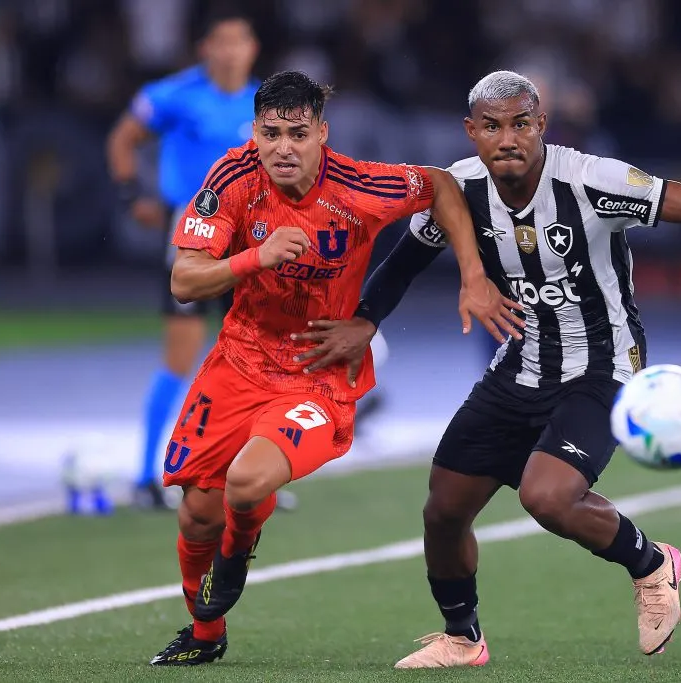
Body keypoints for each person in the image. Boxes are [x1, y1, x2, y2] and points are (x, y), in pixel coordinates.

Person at [292, 70, 681, 667]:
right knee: (443, 509)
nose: (508, 139)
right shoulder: (460, 191)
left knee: (545, 497)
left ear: (540, 125)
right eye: (491, 127)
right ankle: (463, 638)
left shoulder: (591, 181)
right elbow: (405, 259)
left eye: (521, 124)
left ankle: (652, 565)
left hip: (603, 367)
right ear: (471, 132)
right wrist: (366, 320)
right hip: (519, 366)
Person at [147, 70, 522, 667]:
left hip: (318, 374)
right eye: (271, 134)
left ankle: (239, 550)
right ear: (255, 133)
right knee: (196, 511)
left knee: (245, 484)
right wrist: (255, 257)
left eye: (298, 133)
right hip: (238, 362)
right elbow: (183, 279)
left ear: (322, 132)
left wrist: (471, 276)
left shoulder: (358, 186)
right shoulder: (232, 177)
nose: (283, 148)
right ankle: (204, 632)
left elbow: (443, 186)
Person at [106, 12, 260, 509]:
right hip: (195, 234)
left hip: (252, 237)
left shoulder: (266, 102)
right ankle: (147, 474)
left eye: (239, 41)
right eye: (221, 41)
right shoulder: (175, 95)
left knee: (254, 357)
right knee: (181, 352)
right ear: (204, 48)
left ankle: (245, 476)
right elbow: (123, 139)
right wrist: (133, 196)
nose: (230, 51)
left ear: (252, 49)